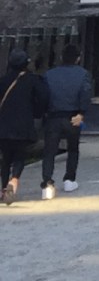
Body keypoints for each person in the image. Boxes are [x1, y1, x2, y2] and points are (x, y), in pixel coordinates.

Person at [41, 45, 92, 199]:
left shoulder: (49, 75)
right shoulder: (83, 74)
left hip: (53, 116)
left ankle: (47, 184)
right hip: (73, 116)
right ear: (78, 57)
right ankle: (69, 179)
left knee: (49, 151)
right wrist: (82, 113)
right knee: (73, 149)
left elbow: (43, 97)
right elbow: (85, 94)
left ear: (62, 57)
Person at [0, 49, 49, 205]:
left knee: (5, 158)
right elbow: (43, 98)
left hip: (3, 126)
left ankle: (3, 189)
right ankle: (13, 182)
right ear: (26, 63)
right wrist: (37, 113)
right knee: (20, 156)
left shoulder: (3, 80)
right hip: (23, 125)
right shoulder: (33, 80)